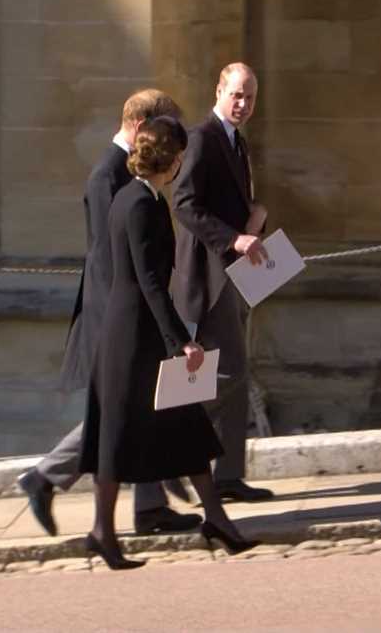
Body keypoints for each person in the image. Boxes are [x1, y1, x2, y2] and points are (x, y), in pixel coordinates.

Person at [17, 90, 200, 539]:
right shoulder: (108, 176)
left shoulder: (127, 172)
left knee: (146, 404)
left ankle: (150, 506)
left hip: (138, 310)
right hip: (117, 314)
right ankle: (46, 477)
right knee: (120, 412)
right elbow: (110, 258)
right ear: (141, 127)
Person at [80, 116, 259, 569]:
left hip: (142, 332)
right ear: (171, 157)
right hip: (134, 338)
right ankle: (104, 530)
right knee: (116, 437)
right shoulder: (140, 204)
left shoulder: (138, 197)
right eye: (179, 156)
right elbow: (149, 283)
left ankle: (215, 519)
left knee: (187, 425)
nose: (182, 163)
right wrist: (181, 341)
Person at [172, 62, 273, 502]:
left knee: (234, 372)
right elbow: (185, 204)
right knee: (224, 373)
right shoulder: (201, 138)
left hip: (234, 273)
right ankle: (169, 444)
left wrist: (254, 223)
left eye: (249, 97)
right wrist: (235, 238)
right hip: (207, 276)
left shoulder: (237, 141)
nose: (243, 104)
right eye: (235, 95)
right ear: (218, 90)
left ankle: (229, 476)